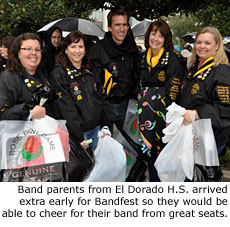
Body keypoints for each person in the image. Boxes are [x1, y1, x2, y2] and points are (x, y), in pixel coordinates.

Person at [138, 19, 185, 181]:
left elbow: (175, 89)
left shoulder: (173, 58)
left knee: (165, 154)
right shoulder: (142, 58)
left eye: (160, 35)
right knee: (150, 153)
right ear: (148, 35)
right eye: (153, 34)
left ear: (166, 39)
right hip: (146, 117)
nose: (156, 38)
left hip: (166, 117)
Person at [180, 26, 230, 155]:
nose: (202, 46)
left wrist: (197, 114)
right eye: (199, 42)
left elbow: (225, 108)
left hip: (210, 137)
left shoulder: (221, 71)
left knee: (202, 175)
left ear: (217, 45)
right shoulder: (194, 68)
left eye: (207, 43)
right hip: (192, 133)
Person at [49, 31, 103, 150]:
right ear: (66, 49)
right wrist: (78, 137)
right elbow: (66, 110)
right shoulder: (59, 74)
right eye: (73, 46)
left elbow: (99, 98)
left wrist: (103, 127)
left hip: (95, 130)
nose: (77, 51)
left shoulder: (90, 70)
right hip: (76, 135)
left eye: (80, 47)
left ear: (85, 49)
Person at [90, 8, 140, 133]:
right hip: (104, 107)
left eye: (124, 25)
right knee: (105, 148)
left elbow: (136, 75)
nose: (121, 29)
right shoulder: (97, 50)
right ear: (109, 27)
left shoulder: (132, 49)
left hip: (127, 105)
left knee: (131, 147)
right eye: (117, 25)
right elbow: (94, 83)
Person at [0, 33, 56, 121]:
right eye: (28, 49)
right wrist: (29, 113)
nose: (34, 53)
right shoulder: (8, 77)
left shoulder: (41, 74)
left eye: (37, 50)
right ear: (18, 53)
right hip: (17, 133)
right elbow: (3, 113)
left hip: (42, 132)